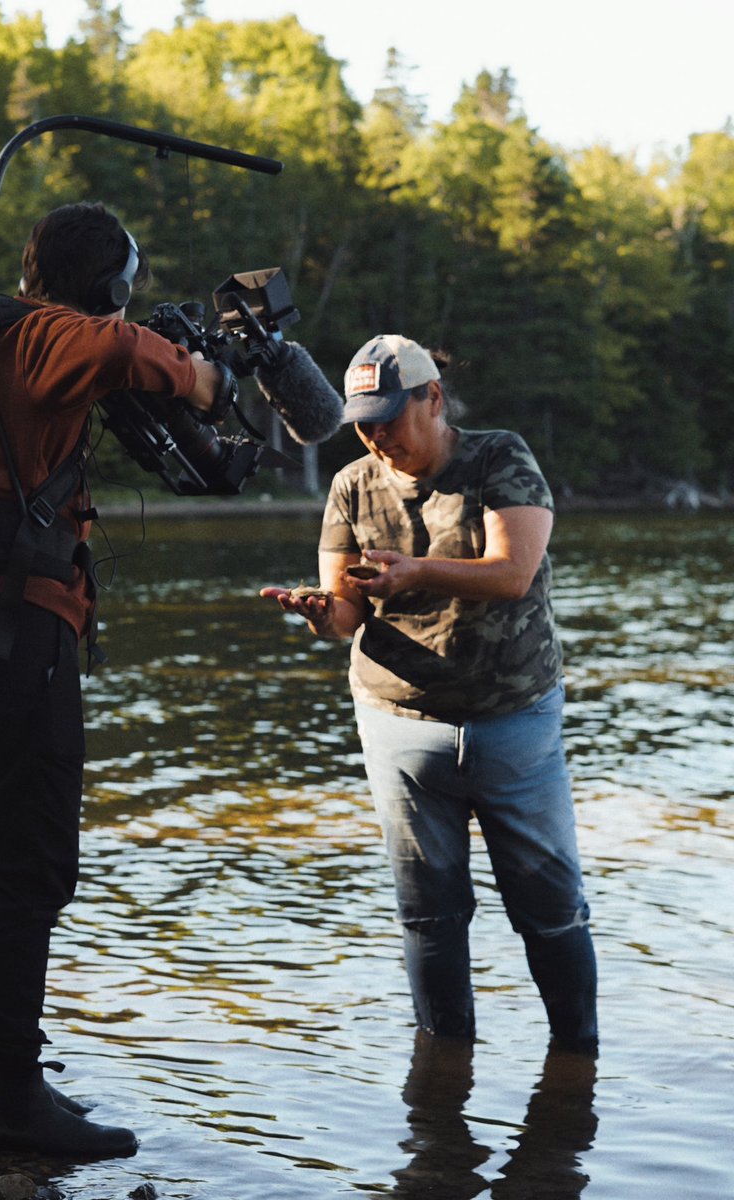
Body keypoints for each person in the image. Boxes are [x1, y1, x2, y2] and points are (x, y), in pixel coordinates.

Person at [0, 202, 230, 1157]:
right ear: (108, 284)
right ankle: (13, 1106)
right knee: (29, 868)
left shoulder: (6, 338)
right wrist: (200, 376)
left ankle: (6, 1082)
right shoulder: (38, 334)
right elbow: (111, 350)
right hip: (13, 637)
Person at [261, 334, 598, 1055]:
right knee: (429, 915)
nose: (376, 435)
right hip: (400, 727)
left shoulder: (499, 458)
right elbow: (347, 611)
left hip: (514, 723)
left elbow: (512, 572)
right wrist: (323, 614)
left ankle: (576, 1061)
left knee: (548, 909)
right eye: (363, 421)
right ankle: (444, 1073)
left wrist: (415, 572)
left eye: (388, 415)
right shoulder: (352, 485)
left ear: (433, 399)